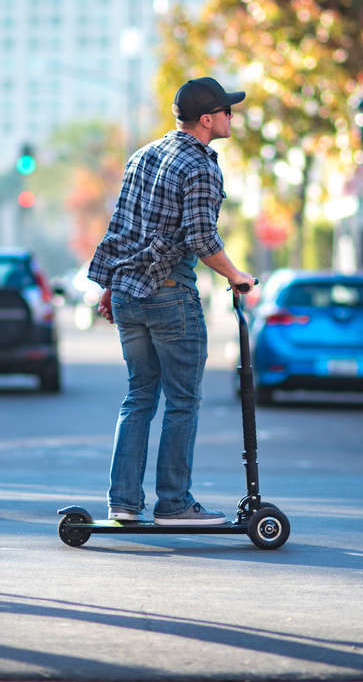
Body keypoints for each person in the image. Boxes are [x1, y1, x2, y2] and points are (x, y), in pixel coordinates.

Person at [87, 76, 256, 526]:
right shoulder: (199, 166)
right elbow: (201, 237)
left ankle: (123, 501)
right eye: (226, 111)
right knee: (182, 401)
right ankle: (174, 504)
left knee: (139, 397)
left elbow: (120, 226)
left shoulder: (144, 155)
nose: (231, 117)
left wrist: (110, 285)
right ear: (207, 119)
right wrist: (236, 275)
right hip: (169, 293)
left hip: (128, 293)